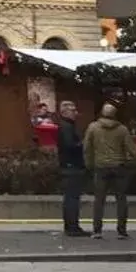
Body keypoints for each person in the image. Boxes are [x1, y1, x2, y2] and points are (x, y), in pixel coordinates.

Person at [83, 102, 136, 239]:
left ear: (102, 112)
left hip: (100, 167)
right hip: (118, 167)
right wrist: (128, 160)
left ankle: (97, 230)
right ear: (114, 114)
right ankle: (121, 231)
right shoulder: (122, 129)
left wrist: (89, 164)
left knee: (99, 200)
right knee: (121, 200)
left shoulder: (93, 127)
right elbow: (133, 150)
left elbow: (86, 148)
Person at [55, 99, 88, 237]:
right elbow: (70, 145)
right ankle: (72, 227)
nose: (76, 112)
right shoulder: (67, 127)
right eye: (73, 110)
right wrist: (82, 144)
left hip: (68, 165)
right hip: (72, 166)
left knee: (70, 197)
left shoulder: (66, 125)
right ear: (64, 112)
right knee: (72, 198)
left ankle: (70, 226)